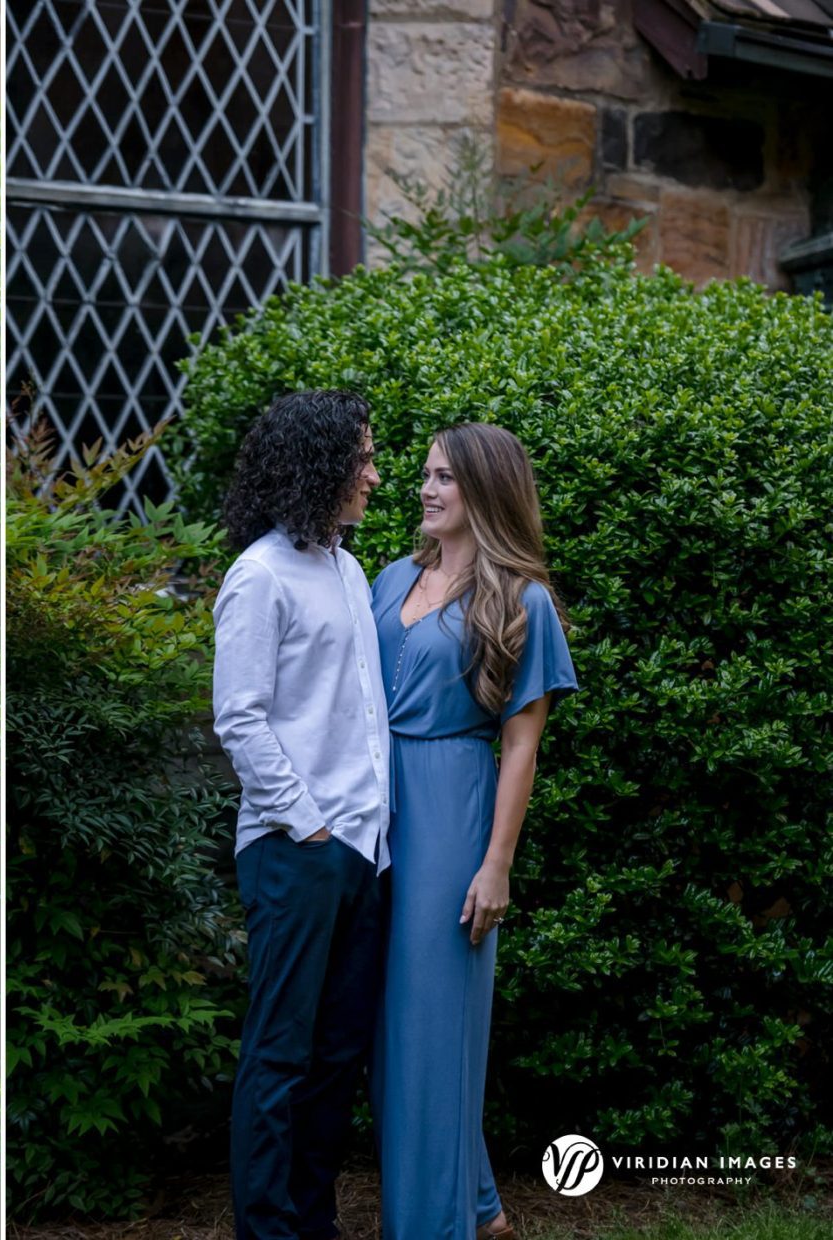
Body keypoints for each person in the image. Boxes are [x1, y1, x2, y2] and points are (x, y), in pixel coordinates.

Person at [370, 422, 577, 1240]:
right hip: (370, 810)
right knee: (383, 1027)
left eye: (445, 477)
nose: (426, 488)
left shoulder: (521, 598)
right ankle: (483, 1208)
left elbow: (523, 745)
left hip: (450, 804)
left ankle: (431, 1226)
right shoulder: (390, 578)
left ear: (486, 490)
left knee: (427, 1025)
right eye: (425, 473)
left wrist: (497, 865)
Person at [213, 390, 391, 1240]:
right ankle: (268, 1231)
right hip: (298, 850)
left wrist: (365, 836)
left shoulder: (349, 569)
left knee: (335, 1059)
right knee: (281, 1056)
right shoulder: (259, 574)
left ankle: (314, 1225)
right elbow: (239, 717)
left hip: (366, 853)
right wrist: (308, 822)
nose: (374, 475)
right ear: (317, 465)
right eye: (361, 458)